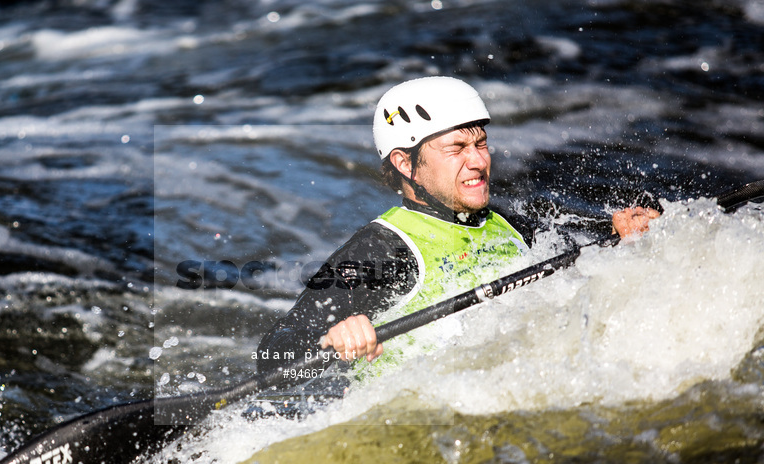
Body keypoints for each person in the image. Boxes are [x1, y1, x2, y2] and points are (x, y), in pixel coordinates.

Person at [256, 76, 659, 374]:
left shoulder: (510, 223)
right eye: (456, 149)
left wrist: (631, 233)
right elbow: (273, 359)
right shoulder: (378, 251)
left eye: (480, 143)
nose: (479, 161)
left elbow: (596, 257)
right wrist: (334, 336)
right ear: (405, 164)